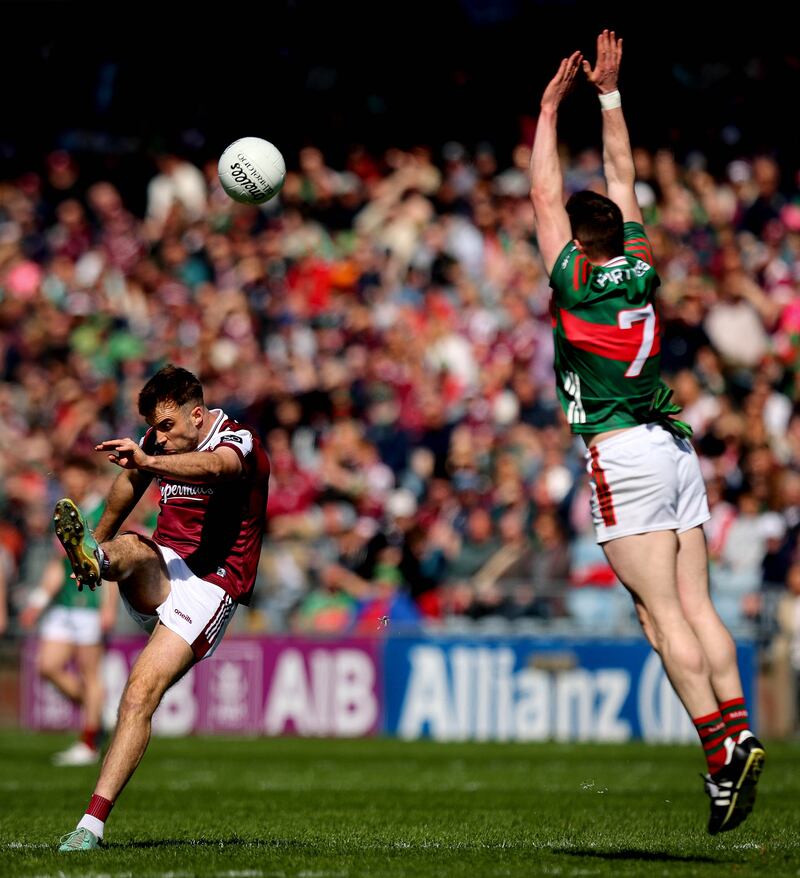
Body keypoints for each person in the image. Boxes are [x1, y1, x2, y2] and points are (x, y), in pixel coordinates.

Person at [529, 31, 765, 834]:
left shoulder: (571, 276)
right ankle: (740, 730)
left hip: (621, 450)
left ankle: (720, 753)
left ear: (572, 239)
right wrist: (611, 95)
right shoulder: (639, 260)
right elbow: (623, 175)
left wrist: (551, 104)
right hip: (673, 444)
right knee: (699, 607)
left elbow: (542, 189)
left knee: (657, 619)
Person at [54, 365, 270, 851]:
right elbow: (127, 489)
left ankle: (90, 826)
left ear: (197, 414)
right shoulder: (158, 442)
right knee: (129, 546)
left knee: (137, 694)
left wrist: (146, 462)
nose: (160, 437)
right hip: (164, 566)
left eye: (168, 427)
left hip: (211, 587)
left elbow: (216, 468)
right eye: (154, 429)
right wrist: (97, 539)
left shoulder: (239, 440)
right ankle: (97, 556)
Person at [21, 457, 118, 765]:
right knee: (48, 666)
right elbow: (56, 563)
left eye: (79, 475)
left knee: (90, 674)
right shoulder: (64, 512)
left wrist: (108, 607)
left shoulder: (103, 512)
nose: (73, 482)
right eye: (69, 476)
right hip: (63, 604)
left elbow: (112, 561)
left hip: (89, 603)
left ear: (90, 476)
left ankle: (89, 742)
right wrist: (38, 601)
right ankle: (98, 714)